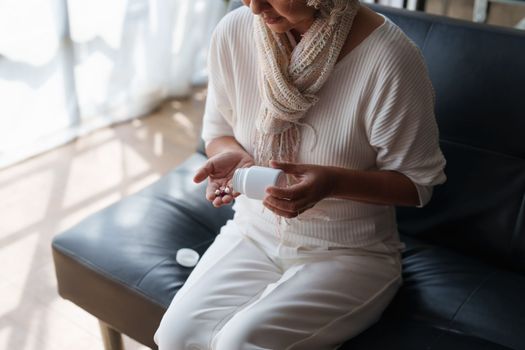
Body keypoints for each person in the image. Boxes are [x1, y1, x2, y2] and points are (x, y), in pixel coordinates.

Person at [154, 0, 446, 349]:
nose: (255, 7)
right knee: (175, 337)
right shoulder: (234, 32)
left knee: (239, 343)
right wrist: (236, 160)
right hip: (253, 232)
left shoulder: (390, 58)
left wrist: (333, 183)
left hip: (350, 251)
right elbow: (217, 134)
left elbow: (418, 184)